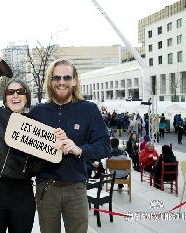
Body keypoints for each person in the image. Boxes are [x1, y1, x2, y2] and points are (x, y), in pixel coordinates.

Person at [30, 59, 110, 233]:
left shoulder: (89, 109)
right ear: (50, 81)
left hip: (76, 189)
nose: (61, 82)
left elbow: (104, 145)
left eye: (67, 77)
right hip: (46, 189)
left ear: (74, 81)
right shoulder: (37, 112)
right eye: (56, 77)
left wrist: (79, 149)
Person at [0, 49, 46, 233]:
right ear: (5, 98)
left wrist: (27, 170)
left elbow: (42, 161)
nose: (15, 95)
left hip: (21, 195)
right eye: (11, 92)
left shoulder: (34, 126)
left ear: (26, 97)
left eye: (20, 91)